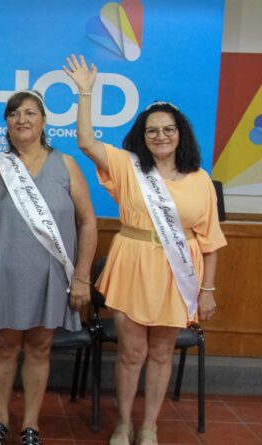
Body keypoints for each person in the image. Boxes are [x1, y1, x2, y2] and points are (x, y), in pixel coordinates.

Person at [63, 54, 227, 445]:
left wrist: (207, 290)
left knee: (160, 353)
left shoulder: (200, 178)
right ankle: (124, 423)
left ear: (180, 133)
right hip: (133, 263)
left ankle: (149, 426)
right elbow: (86, 142)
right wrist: (85, 91)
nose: (161, 137)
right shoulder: (127, 166)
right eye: (152, 131)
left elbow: (211, 239)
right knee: (130, 353)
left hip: (178, 272)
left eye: (168, 130)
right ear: (143, 135)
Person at [0, 80, 98, 445]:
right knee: (4, 347)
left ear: (44, 121)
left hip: (50, 278)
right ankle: (0, 421)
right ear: (5, 124)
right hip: (5, 277)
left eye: (30, 112)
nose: (22, 118)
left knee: (40, 347)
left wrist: (82, 276)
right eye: (14, 113)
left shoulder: (65, 164)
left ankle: (31, 425)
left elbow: (87, 221)